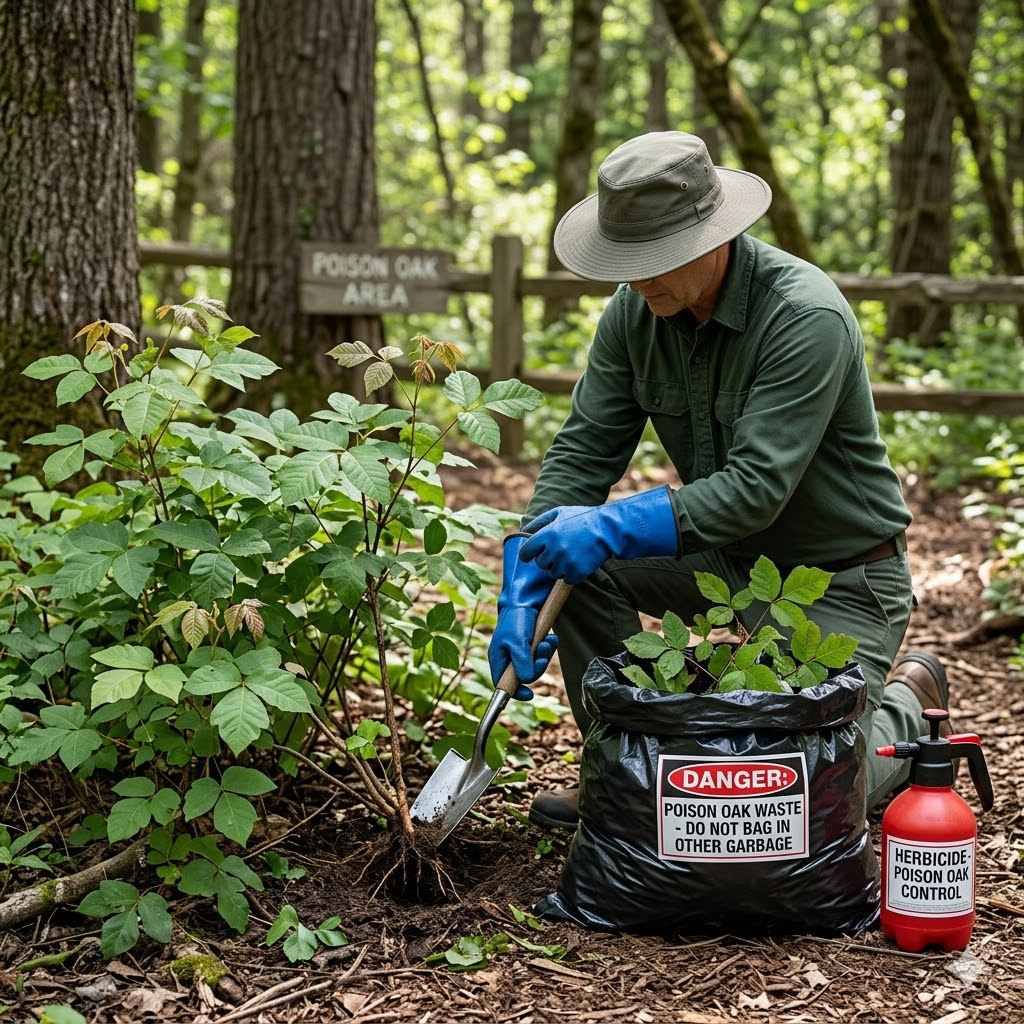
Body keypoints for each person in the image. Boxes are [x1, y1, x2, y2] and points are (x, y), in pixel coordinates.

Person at [487, 131, 950, 832]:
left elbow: (756, 488)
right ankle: (624, 772)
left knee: (800, 796)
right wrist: (525, 566)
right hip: (724, 561)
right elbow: (583, 454)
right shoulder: (633, 315)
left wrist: (609, 525)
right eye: (626, 261)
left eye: (658, 260)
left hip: (840, 577)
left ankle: (909, 700)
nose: (640, 278)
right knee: (571, 565)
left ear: (716, 234)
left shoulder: (802, 315)